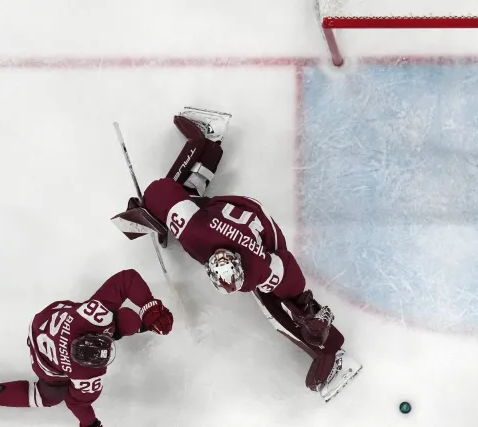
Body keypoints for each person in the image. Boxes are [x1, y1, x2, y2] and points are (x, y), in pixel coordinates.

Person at [112, 108, 361, 401]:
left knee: (271, 303)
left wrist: (307, 309)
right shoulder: (195, 231)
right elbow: (161, 189)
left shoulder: (255, 268)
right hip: (229, 214)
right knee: (186, 196)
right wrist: (151, 212)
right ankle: (205, 139)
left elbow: (287, 270)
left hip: (264, 235)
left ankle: (331, 353)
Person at [0, 269, 174, 426]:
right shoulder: (86, 373)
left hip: (44, 321)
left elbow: (127, 279)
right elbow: (74, 402)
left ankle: (140, 324)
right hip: (43, 357)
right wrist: (148, 306)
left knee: (121, 319)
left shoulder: (89, 319)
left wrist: (148, 308)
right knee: (51, 395)